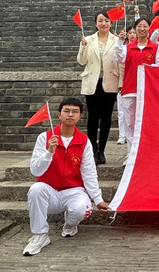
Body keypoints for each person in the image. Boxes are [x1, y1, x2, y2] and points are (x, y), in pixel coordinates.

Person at [23, 97, 109, 256]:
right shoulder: (45, 137)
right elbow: (35, 171)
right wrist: (49, 152)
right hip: (49, 191)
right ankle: (40, 235)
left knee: (81, 210)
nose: (70, 114)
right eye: (66, 111)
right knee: (36, 189)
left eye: (75, 112)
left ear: (80, 116)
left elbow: (89, 173)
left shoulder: (84, 141)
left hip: (73, 191)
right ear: (59, 115)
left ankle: (70, 224)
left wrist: (98, 199)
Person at [114, 18, 159, 161]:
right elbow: (118, 58)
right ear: (135, 29)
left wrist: (149, 67)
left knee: (148, 122)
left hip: (148, 91)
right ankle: (131, 154)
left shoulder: (155, 47)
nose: (142, 29)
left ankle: (147, 153)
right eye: (139, 26)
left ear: (149, 28)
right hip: (130, 89)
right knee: (130, 123)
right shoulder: (128, 48)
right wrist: (120, 42)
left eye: (145, 26)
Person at [76, 11, 118, 165]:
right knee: (93, 117)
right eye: (100, 21)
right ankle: (92, 149)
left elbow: (120, 61)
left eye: (107, 21)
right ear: (95, 23)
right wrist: (83, 47)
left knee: (106, 117)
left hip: (110, 81)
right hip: (92, 82)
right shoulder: (87, 39)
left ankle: (102, 150)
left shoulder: (117, 40)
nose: (104, 23)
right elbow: (81, 61)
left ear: (111, 23)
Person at [116, 26, 137, 145]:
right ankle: (122, 135)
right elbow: (118, 67)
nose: (132, 35)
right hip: (122, 83)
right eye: (130, 33)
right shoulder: (123, 48)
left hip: (134, 84)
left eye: (134, 33)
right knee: (122, 112)